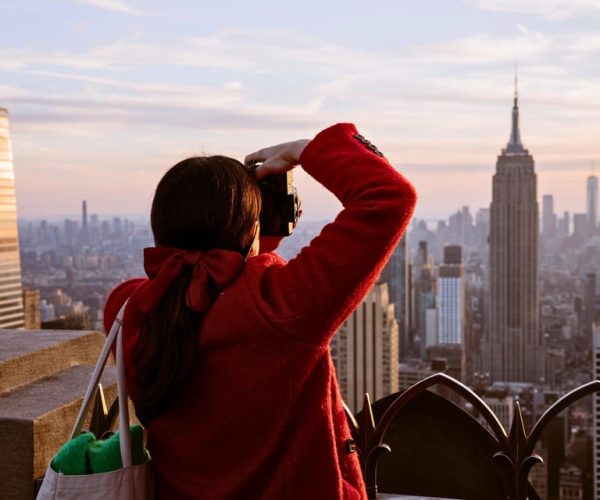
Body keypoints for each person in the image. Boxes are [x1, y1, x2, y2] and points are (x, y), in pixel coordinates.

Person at [103, 123, 417, 499]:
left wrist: (250, 230)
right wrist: (304, 150)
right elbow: (390, 196)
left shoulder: (129, 312)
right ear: (252, 229)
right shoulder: (281, 306)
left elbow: (202, 289)